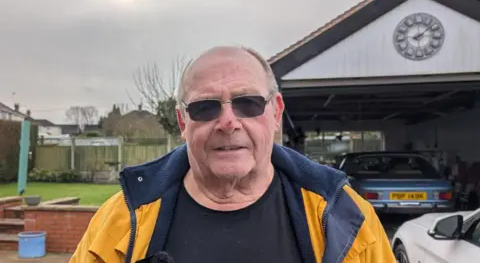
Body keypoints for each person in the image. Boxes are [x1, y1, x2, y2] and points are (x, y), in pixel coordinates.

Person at [69, 46, 395, 263]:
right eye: (205, 107)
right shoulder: (122, 219)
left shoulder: (344, 216)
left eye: (247, 103)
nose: (228, 122)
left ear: (276, 112)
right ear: (183, 121)